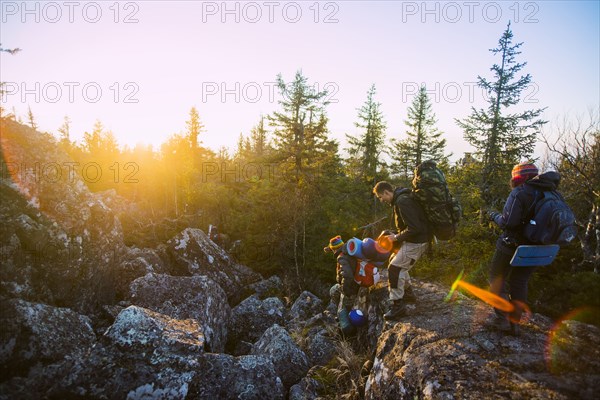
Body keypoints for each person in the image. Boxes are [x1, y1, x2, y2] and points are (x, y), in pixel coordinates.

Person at [486, 162, 562, 335]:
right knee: (520, 281)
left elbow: (508, 223)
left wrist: (494, 216)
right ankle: (515, 323)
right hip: (540, 247)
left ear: (518, 178)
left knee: (496, 278)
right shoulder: (553, 193)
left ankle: (502, 319)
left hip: (512, 245)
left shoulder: (520, 192)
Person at [373, 181, 432, 320]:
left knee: (394, 268)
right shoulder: (402, 198)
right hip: (417, 239)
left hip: (417, 241)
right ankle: (409, 294)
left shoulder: (402, 202)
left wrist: (396, 237)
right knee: (398, 263)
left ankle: (397, 306)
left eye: (381, 197)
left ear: (387, 192)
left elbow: (414, 228)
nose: (382, 200)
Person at [324, 235, 360, 314]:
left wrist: (345, 291)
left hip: (351, 286)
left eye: (332, 249)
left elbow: (347, 275)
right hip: (357, 279)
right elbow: (336, 246)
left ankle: (344, 316)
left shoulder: (341, 257)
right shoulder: (347, 249)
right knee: (334, 290)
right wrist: (329, 248)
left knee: (334, 291)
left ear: (335, 249)